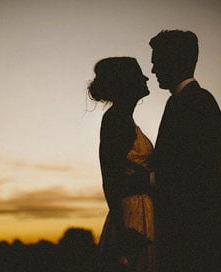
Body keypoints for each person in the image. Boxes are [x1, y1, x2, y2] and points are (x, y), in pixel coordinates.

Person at [148, 30, 221, 271]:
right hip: (190, 229)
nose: (153, 70)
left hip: (194, 231)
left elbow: (193, 171)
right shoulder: (185, 100)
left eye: (156, 62)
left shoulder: (196, 102)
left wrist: (147, 179)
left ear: (174, 61)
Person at [89, 57, 155, 272]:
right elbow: (110, 178)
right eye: (138, 75)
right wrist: (123, 230)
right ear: (126, 83)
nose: (146, 78)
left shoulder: (123, 118)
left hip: (138, 209)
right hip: (131, 215)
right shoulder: (116, 119)